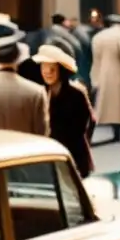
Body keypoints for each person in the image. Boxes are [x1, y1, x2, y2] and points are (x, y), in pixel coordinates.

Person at [33, 44, 95, 177]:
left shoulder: (76, 93)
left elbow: (89, 122)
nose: (47, 72)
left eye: (52, 69)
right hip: (48, 154)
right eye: (44, 68)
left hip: (72, 154)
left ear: (60, 70)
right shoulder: (40, 93)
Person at [90, 13, 120, 143]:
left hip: (102, 74)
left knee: (104, 106)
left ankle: (112, 133)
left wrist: (95, 79)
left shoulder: (98, 37)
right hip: (119, 74)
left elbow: (95, 59)